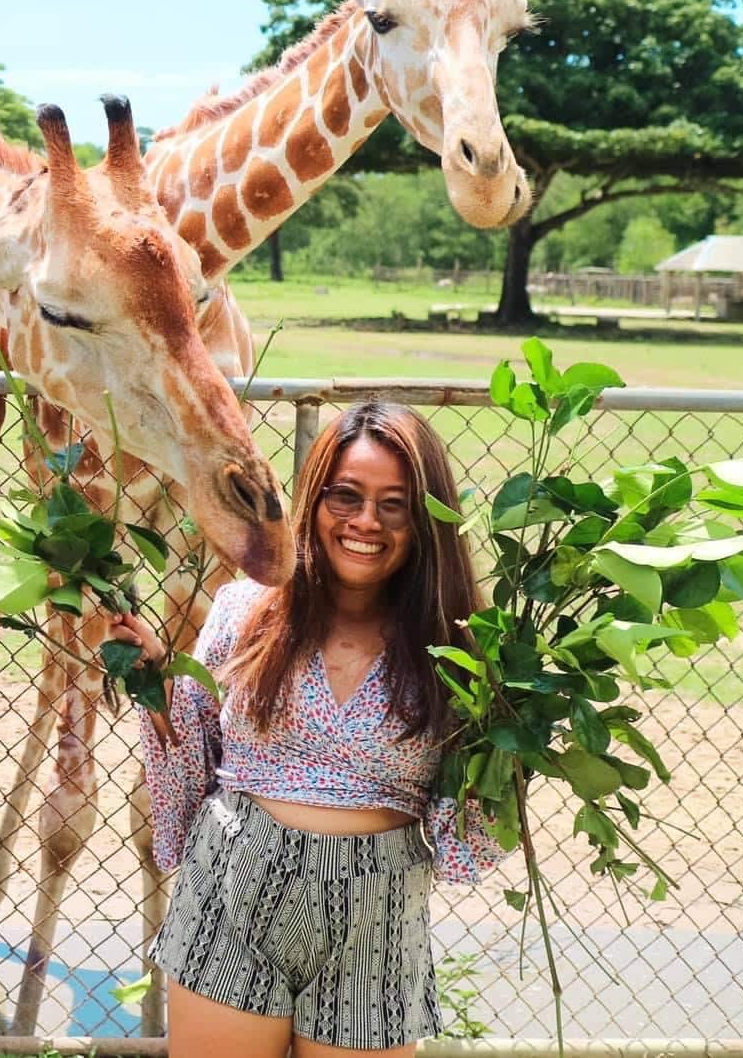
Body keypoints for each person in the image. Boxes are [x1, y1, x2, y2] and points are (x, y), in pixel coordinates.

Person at [113, 401, 506, 1057]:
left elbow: (467, 847)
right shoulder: (246, 610)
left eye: (394, 504)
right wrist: (154, 679)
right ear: (313, 499)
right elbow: (192, 753)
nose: (364, 522)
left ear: (428, 518)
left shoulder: (458, 646)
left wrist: (521, 729)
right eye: (345, 496)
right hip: (234, 890)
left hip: (376, 915)